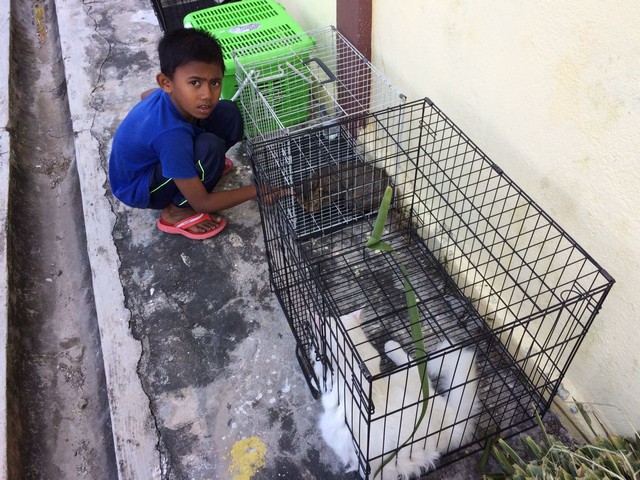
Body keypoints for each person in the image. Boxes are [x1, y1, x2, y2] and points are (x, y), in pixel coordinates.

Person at [109, 28, 257, 240]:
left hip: (161, 153)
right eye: (195, 82)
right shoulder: (171, 135)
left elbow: (145, 95)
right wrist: (258, 190)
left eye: (215, 82)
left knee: (228, 112)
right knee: (210, 147)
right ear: (166, 82)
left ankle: (202, 169)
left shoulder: (165, 95)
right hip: (139, 188)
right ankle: (177, 211)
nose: (207, 95)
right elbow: (203, 203)